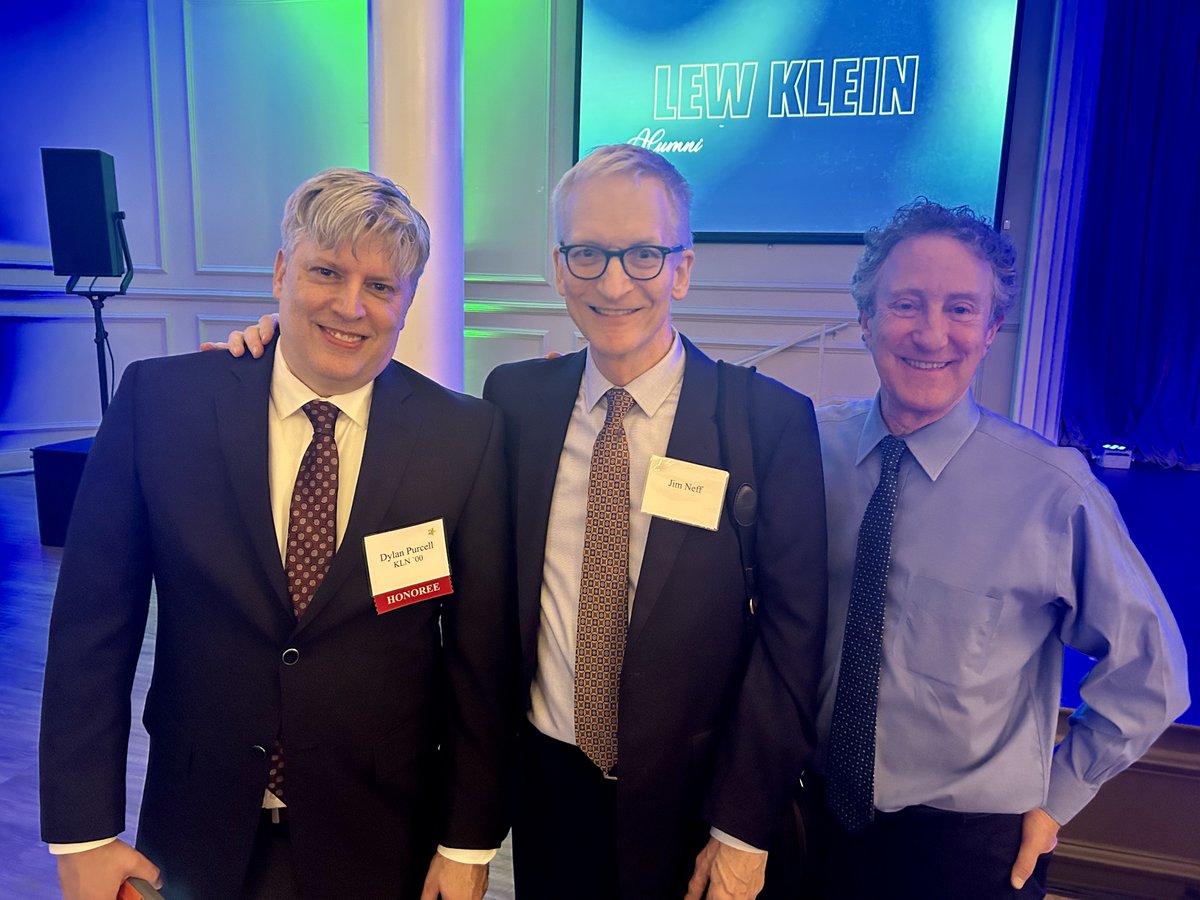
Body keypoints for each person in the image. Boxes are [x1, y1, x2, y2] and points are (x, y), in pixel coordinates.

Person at [224, 145, 828, 899]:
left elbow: (793, 639)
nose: (613, 282)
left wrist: (744, 827)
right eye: (587, 254)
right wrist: (274, 347)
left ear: (681, 268)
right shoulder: (514, 403)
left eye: (643, 255)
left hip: (697, 803)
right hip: (548, 790)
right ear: (557, 264)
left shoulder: (765, 422)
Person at [39, 168, 516, 900]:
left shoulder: (465, 438)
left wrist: (468, 840)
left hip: (385, 836)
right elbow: (90, 632)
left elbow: (480, 665)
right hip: (196, 822)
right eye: (326, 272)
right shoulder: (162, 406)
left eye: (382, 287)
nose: (350, 306)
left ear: (409, 300)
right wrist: (84, 833)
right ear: (281, 271)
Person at [810, 198, 1190, 899]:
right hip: (808, 823)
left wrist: (1059, 797)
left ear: (990, 330)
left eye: (960, 309)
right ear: (865, 320)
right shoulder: (808, 450)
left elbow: (1153, 671)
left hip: (968, 847)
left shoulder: (1053, 492)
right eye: (906, 304)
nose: (931, 333)